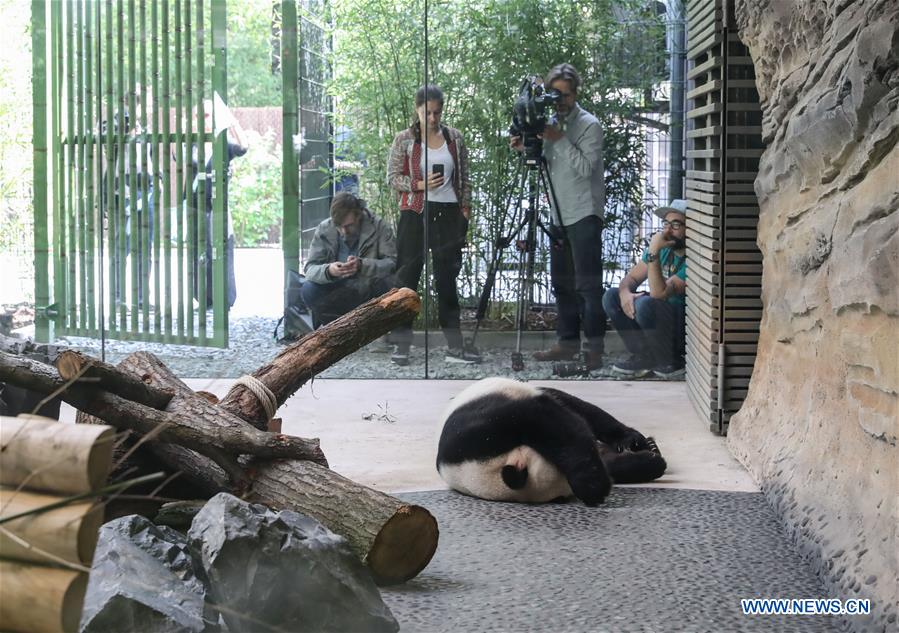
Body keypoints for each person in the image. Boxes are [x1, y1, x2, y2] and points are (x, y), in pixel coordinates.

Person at [511, 63, 606, 370]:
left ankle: (594, 351)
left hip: (583, 213)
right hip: (557, 214)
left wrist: (557, 138)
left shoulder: (589, 124)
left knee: (588, 286)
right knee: (562, 284)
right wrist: (526, 143)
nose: (559, 101)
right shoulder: (548, 121)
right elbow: (546, 163)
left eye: (565, 95)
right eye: (554, 94)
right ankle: (567, 345)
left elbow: (585, 167)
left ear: (575, 94)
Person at [387, 84, 480, 366]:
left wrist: (465, 212)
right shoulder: (404, 139)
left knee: (446, 280)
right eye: (427, 112)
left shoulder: (455, 138)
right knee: (407, 278)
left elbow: (464, 179)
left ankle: (454, 346)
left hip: (448, 214)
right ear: (417, 110)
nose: (432, 118)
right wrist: (419, 184)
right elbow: (392, 178)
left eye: (437, 112)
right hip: (415, 212)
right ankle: (402, 344)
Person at [603, 199, 688, 378]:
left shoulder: (693, 258)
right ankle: (645, 356)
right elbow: (631, 278)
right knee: (611, 296)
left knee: (645, 305)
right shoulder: (664, 249)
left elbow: (660, 294)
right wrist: (625, 293)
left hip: (683, 328)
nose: (667, 230)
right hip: (662, 319)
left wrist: (653, 252)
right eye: (666, 223)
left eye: (676, 224)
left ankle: (671, 359)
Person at [302, 192, 397, 327]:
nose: (343, 231)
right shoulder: (324, 229)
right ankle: (335, 328)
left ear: (359, 215)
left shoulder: (380, 227)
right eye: (339, 226)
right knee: (308, 288)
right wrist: (329, 270)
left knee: (388, 284)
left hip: (366, 289)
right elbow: (310, 269)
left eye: (348, 226)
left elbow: (392, 264)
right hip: (335, 289)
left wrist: (362, 265)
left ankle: (372, 329)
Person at [190, 99, 248, 309]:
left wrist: (231, 122)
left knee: (222, 249)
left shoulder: (222, 141)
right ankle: (203, 298)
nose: (201, 121)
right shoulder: (193, 143)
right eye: (198, 117)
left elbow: (243, 147)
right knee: (199, 250)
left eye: (205, 116)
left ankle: (224, 298)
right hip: (196, 205)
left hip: (218, 206)